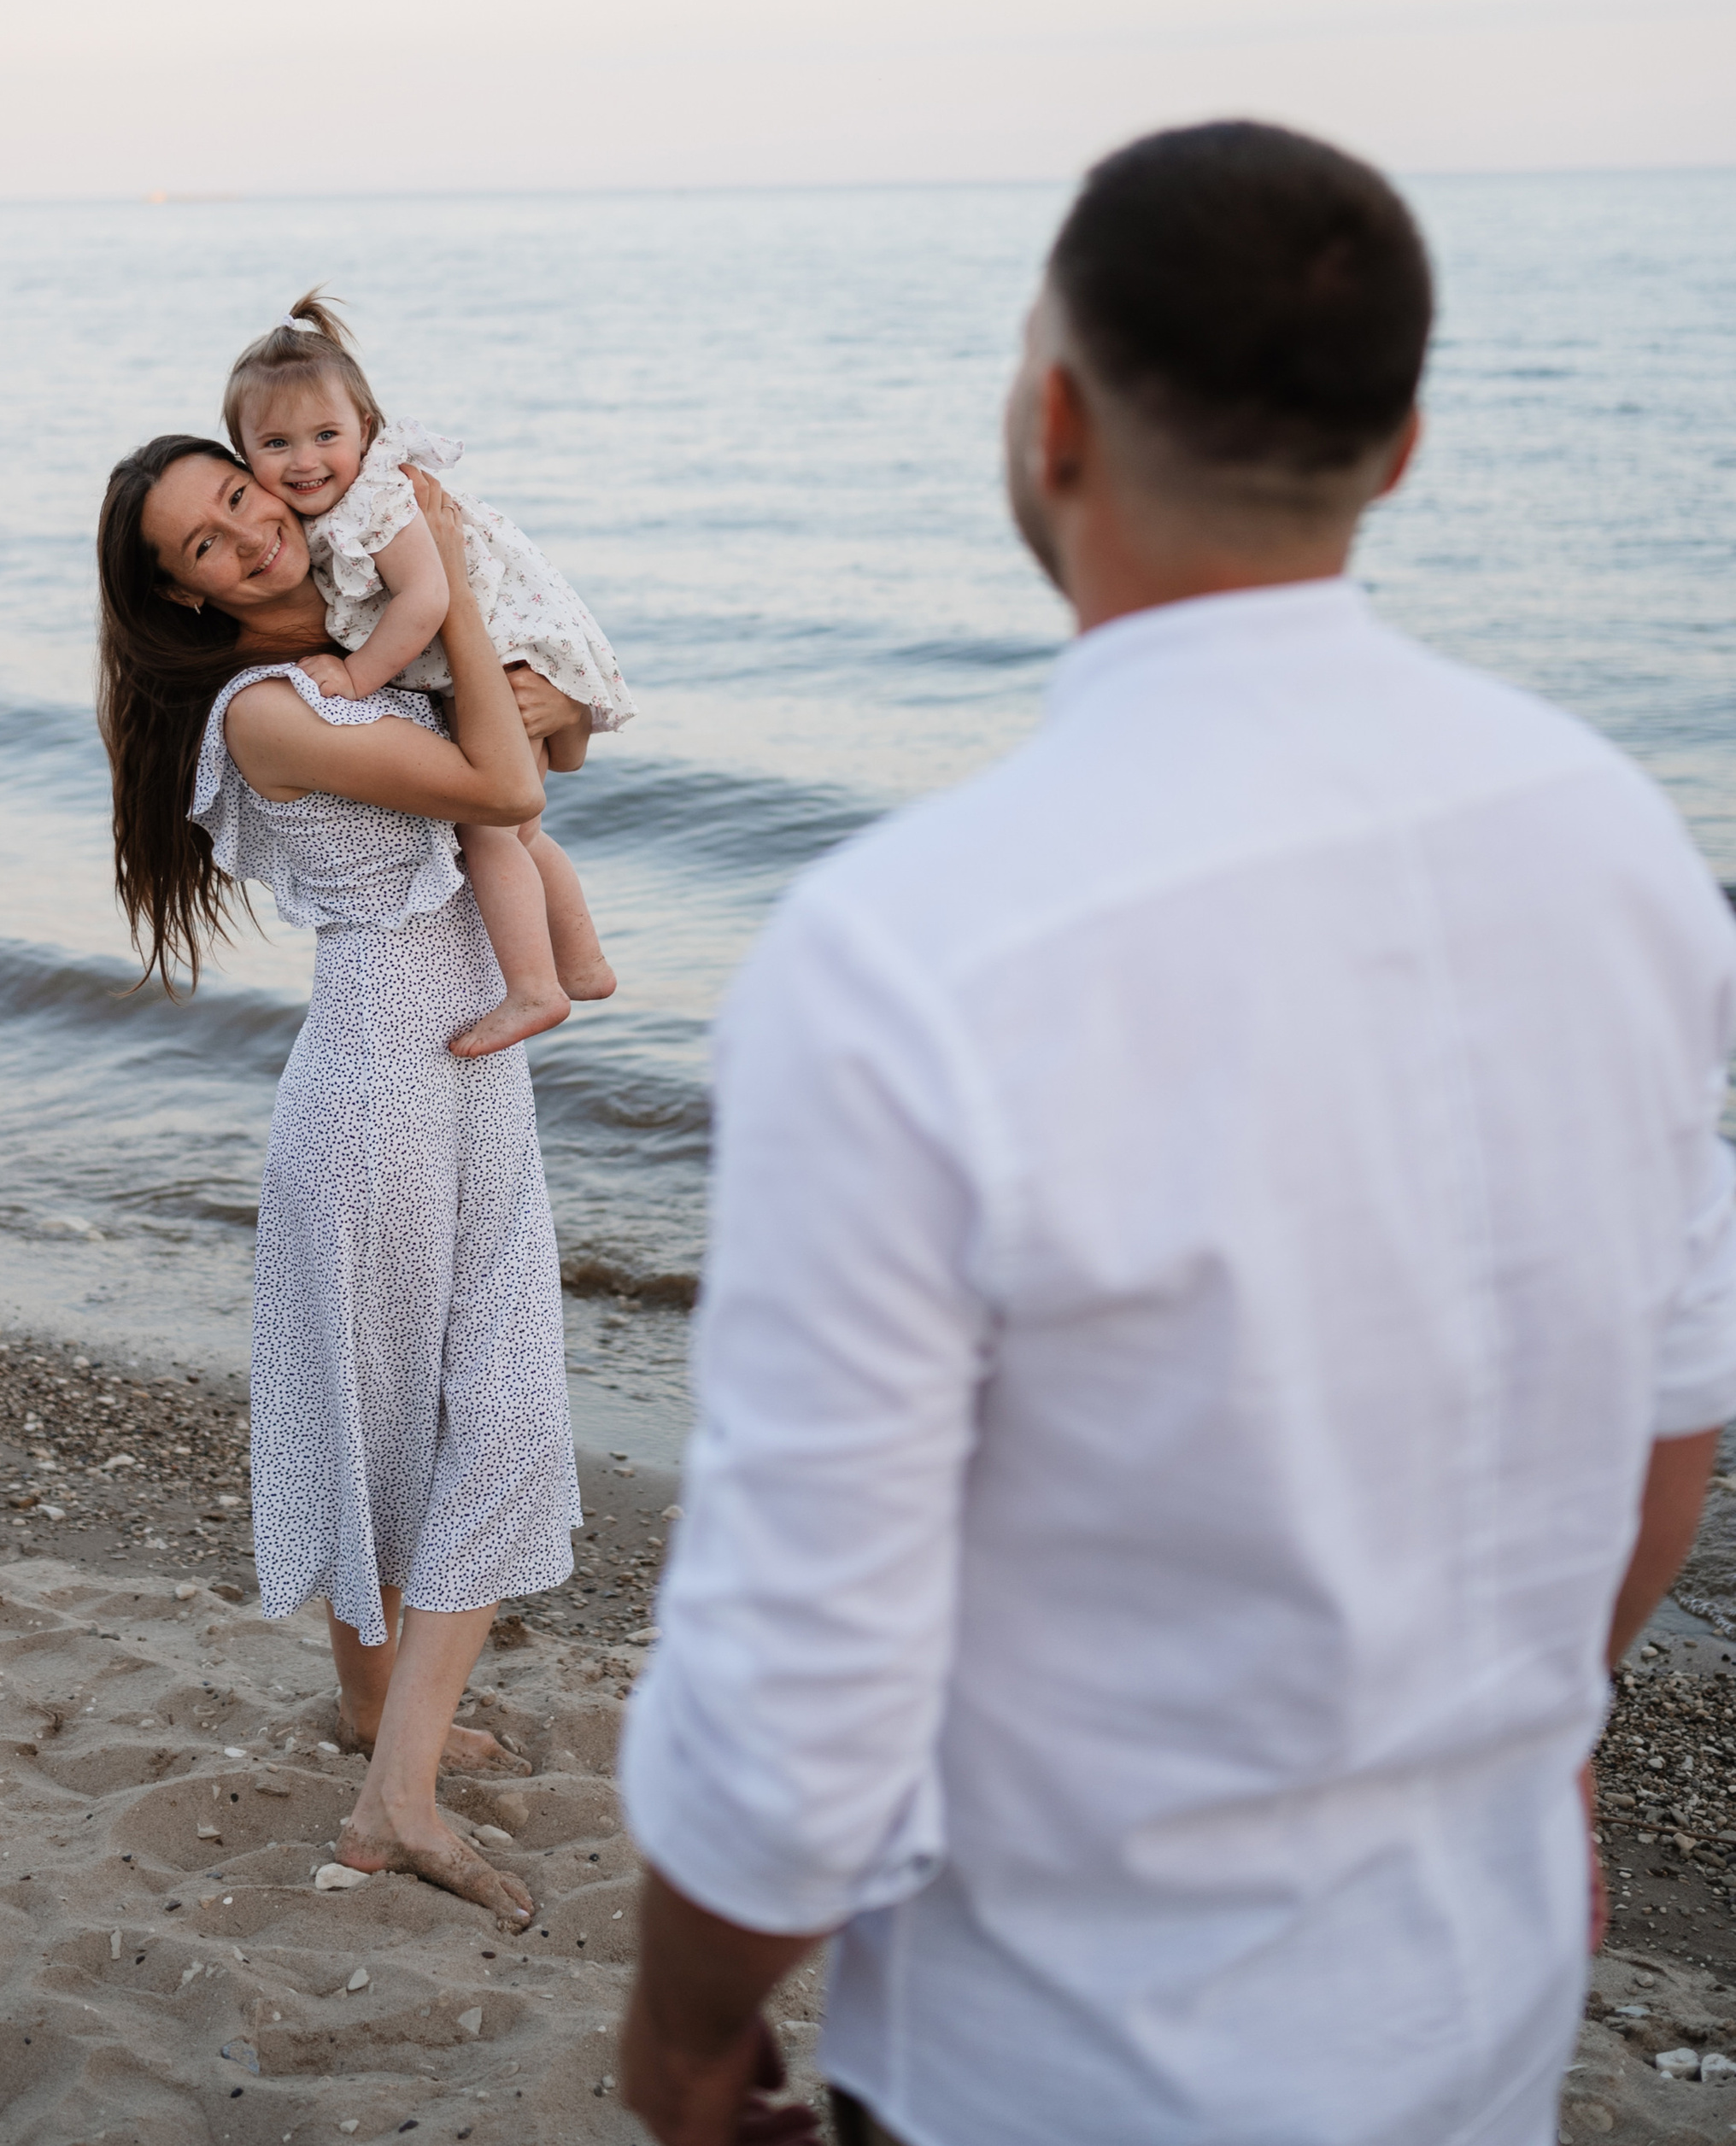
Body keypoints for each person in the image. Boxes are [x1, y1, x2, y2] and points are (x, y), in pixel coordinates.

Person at [619, 120, 1736, 2146]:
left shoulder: (904, 954)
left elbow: (808, 1652)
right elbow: (1666, 1423)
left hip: (1062, 2054)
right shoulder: (1613, 840)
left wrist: (687, 2021)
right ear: (1398, 443)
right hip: (1473, 1995)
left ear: (1050, 417)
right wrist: (1515, 1741)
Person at [97, 434, 591, 1930]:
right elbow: (512, 769)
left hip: (457, 1067)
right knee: (485, 1419)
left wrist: (456, 633)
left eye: (242, 497)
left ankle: (381, 1724)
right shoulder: (265, 711)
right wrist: (455, 612)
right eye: (204, 543)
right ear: (181, 600)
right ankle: (398, 1800)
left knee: (394, 1415)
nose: (250, 536)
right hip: (385, 1080)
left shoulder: (348, 660)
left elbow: (555, 736)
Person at [224, 294, 630, 1058]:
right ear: (243, 450)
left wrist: (356, 678)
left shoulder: (377, 499)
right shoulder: (330, 513)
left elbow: (428, 597)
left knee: (493, 829)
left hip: (508, 646)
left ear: (366, 431)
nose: (304, 460)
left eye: (325, 436)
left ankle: (538, 988)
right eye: (276, 443)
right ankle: (583, 965)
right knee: (517, 829)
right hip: (495, 652)